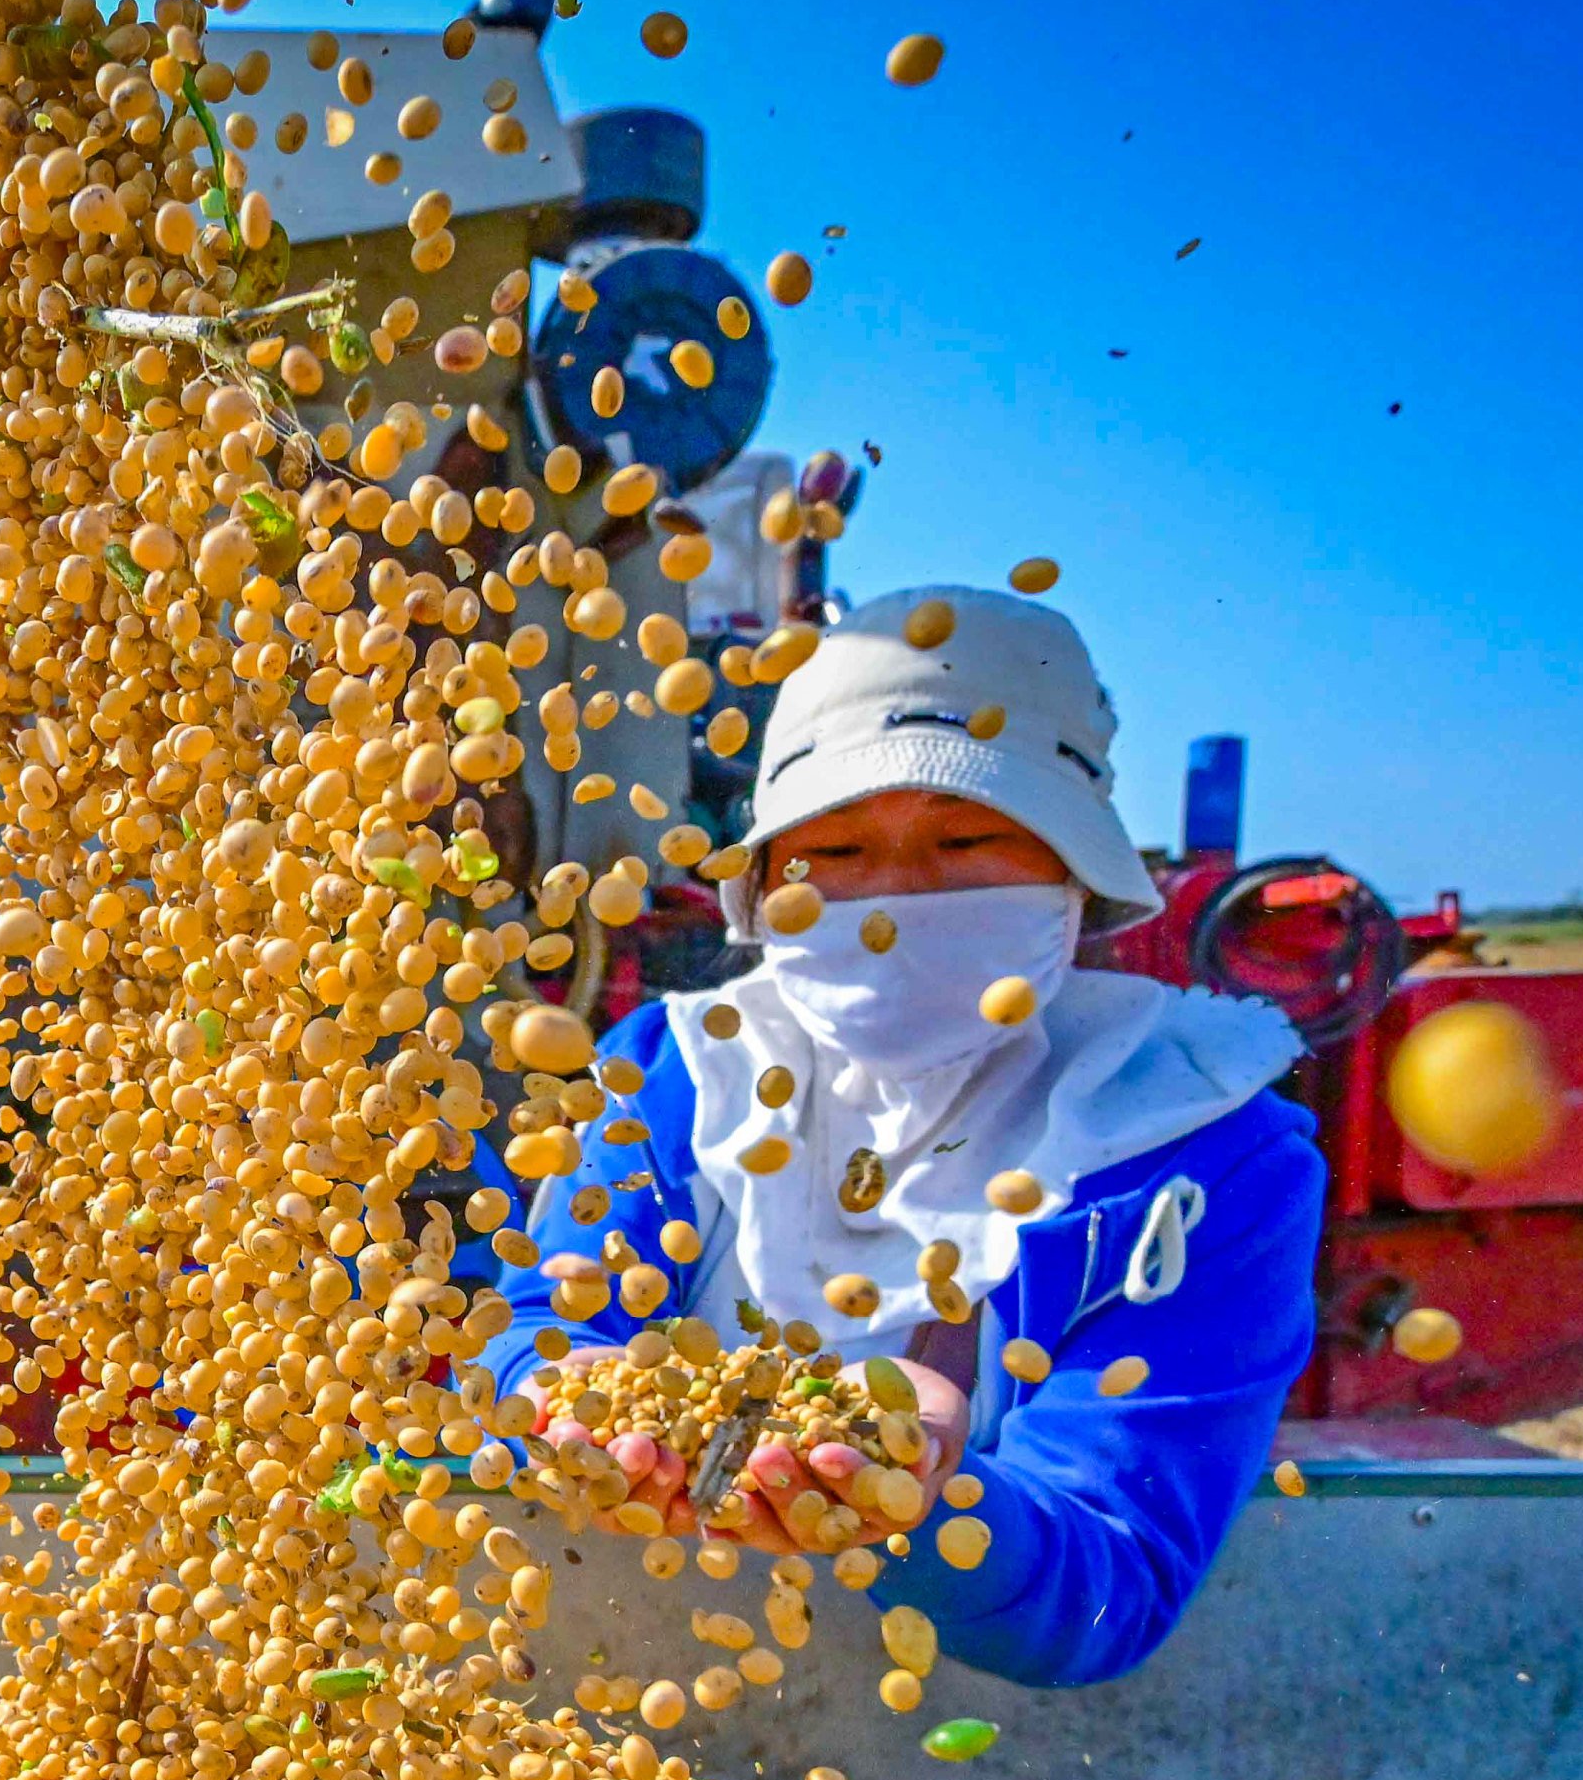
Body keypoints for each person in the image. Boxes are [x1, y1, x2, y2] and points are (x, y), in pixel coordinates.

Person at [479, 586, 1324, 1685]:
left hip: (974, 1751)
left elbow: (1109, 1578)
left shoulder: (1197, 1150)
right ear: (766, 883)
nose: (891, 904)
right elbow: (542, 1322)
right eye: (831, 851)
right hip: (629, 1683)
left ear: (1072, 874)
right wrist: (549, 1395)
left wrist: (918, 1494)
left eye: (965, 838)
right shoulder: (686, 1065)